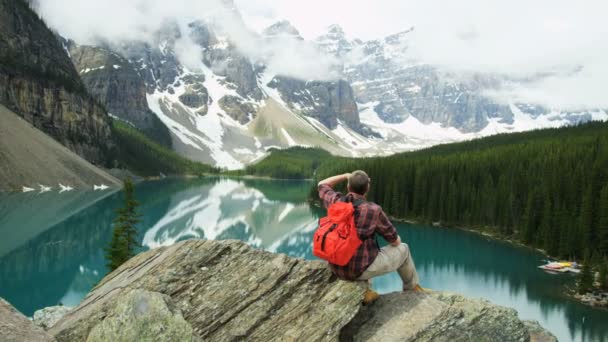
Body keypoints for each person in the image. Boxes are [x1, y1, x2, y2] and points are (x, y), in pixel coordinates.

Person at [318, 170, 422, 304]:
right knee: (404, 249)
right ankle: (412, 288)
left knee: (361, 249)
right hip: (357, 271)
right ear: (367, 188)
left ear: (348, 187)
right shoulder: (373, 210)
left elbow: (322, 184)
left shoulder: (336, 201)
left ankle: (367, 291)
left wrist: (346, 176)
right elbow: (395, 241)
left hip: (336, 267)